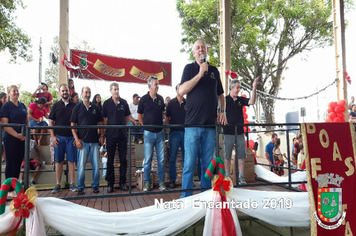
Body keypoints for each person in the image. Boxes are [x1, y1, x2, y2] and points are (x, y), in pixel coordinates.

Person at [178, 39, 226, 197]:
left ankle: (205, 199)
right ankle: (186, 199)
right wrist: (200, 73)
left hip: (210, 127)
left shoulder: (214, 71)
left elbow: (221, 95)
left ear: (207, 51)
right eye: (197, 48)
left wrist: (222, 111)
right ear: (193, 53)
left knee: (207, 166)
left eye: (203, 48)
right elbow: (181, 91)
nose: (201, 50)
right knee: (189, 166)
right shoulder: (189, 69)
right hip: (192, 126)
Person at [223, 78, 258, 184]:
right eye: (237, 87)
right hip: (228, 132)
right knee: (227, 155)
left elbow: (251, 101)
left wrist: (254, 87)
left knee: (241, 155)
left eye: (239, 88)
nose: (239, 90)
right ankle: (227, 176)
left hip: (239, 132)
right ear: (231, 88)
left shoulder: (240, 100)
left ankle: (241, 176)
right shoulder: (224, 100)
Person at [71, 86, 104, 195]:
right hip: (82, 142)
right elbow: (73, 125)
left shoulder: (95, 108)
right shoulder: (77, 108)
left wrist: (102, 136)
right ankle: (80, 187)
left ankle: (95, 186)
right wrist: (77, 139)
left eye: (89, 92)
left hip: (94, 141)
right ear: (82, 93)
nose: (87, 94)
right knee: (81, 166)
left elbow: (101, 123)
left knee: (96, 165)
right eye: (85, 92)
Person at [138, 76, 166, 191]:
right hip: (148, 133)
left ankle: (162, 182)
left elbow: (162, 113)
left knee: (161, 160)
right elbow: (139, 115)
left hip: (160, 133)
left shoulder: (161, 98)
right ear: (150, 86)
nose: (157, 86)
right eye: (156, 84)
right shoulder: (143, 99)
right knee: (148, 159)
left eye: (158, 84)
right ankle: (147, 183)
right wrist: (145, 127)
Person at [48, 84, 78, 193]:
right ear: (60, 92)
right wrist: (53, 136)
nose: (64, 92)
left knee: (71, 161)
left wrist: (77, 137)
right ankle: (58, 184)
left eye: (66, 90)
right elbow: (50, 122)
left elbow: (78, 123)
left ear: (69, 91)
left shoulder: (75, 106)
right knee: (59, 161)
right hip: (59, 138)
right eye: (62, 90)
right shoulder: (55, 106)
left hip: (71, 138)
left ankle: (72, 183)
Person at [102, 82, 130, 193]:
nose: (116, 91)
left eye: (117, 89)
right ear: (111, 91)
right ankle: (110, 184)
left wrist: (123, 127)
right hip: (111, 135)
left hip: (122, 135)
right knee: (110, 160)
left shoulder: (124, 102)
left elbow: (127, 117)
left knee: (123, 160)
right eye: (114, 89)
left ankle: (123, 182)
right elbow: (104, 119)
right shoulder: (106, 103)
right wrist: (106, 132)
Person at [0, 85, 28, 195]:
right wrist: (17, 135)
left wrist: (26, 134)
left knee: (18, 162)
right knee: (10, 163)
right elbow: (4, 124)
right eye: (13, 91)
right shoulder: (6, 107)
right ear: (9, 93)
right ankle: (9, 189)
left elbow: (27, 121)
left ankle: (16, 186)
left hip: (22, 138)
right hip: (11, 138)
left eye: (17, 91)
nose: (16, 93)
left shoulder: (22, 105)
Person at [165, 84, 186, 188]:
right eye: (179, 88)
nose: (181, 90)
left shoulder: (187, 102)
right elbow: (166, 118)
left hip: (186, 133)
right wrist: (172, 127)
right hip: (174, 133)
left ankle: (187, 181)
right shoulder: (171, 103)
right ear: (176, 90)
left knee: (186, 158)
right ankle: (172, 180)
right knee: (172, 157)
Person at [0, 92, 7, 164]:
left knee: (4, 142)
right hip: (2, 127)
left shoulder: (6, 107)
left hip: (4, 128)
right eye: (4, 98)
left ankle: (3, 158)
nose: (6, 100)